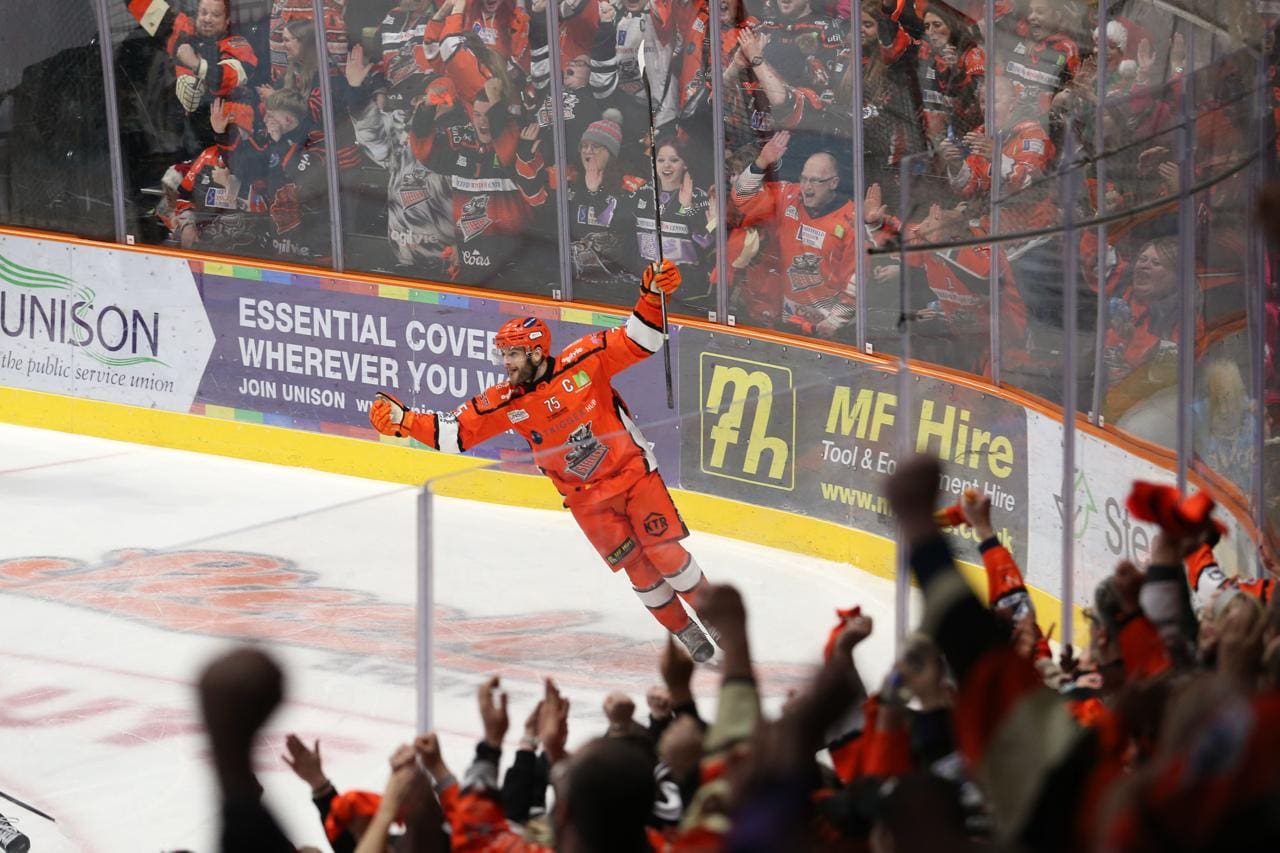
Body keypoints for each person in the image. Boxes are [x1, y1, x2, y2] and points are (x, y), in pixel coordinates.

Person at [367, 260, 719, 662]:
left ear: (536, 351)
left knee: (665, 554)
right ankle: (684, 630)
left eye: (513, 354)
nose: (506, 363)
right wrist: (404, 421)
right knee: (638, 570)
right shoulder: (506, 401)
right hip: (588, 502)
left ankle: (715, 618)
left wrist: (652, 294)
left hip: (634, 476)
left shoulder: (584, 359)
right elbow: (456, 433)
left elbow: (642, 340)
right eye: (503, 355)